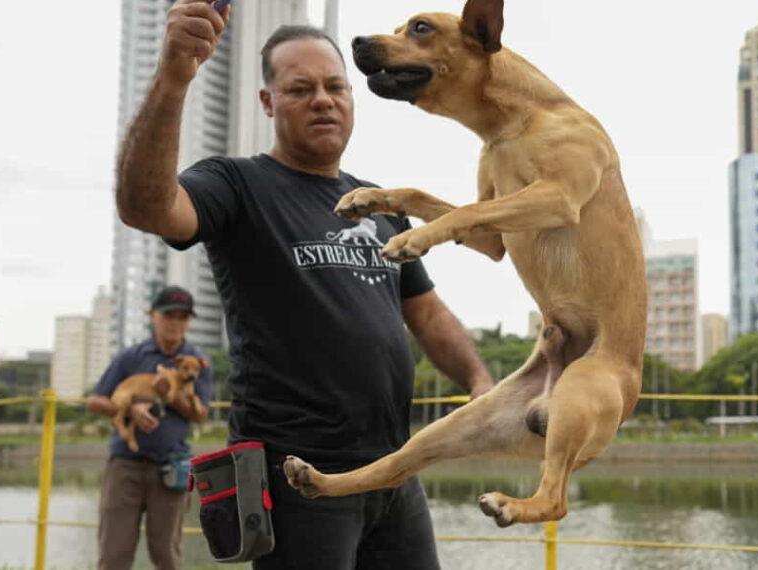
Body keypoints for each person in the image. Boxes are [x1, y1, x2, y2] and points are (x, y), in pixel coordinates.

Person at [113, 1, 495, 568]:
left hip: (394, 468)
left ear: (352, 100)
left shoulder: (380, 203)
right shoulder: (237, 184)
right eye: (300, 89)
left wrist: (480, 380)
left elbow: (427, 312)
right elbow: (147, 207)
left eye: (335, 87)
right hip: (299, 478)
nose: (322, 99)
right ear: (267, 102)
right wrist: (173, 79)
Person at [86, 285, 212, 570]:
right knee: (113, 556)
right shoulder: (130, 356)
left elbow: (200, 415)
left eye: (182, 317)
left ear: (189, 321)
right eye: (169, 315)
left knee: (167, 556)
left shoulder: (198, 362)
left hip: (172, 468)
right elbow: (95, 401)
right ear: (152, 315)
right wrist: (129, 407)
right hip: (125, 466)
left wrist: (170, 393)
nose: (175, 322)